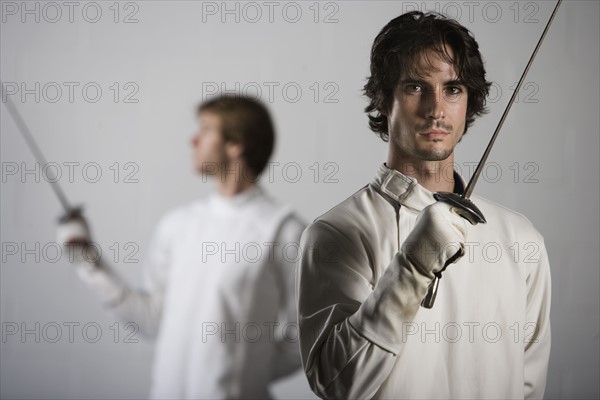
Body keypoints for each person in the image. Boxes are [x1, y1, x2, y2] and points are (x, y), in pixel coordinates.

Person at [296, 11, 551, 399]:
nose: (436, 108)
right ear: (384, 100)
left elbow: (529, 386)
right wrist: (415, 264)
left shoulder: (521, 238)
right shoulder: (337, 233)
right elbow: (339, 385)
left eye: (453, 89)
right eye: (416, 87)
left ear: (470, 101)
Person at [57, 95, 305, 399]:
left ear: (235, 144)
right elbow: (152, 320)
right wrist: (88, 261)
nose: (193, 139)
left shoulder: (285, 230)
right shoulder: (177, 225)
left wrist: (245, 375)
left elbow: (303, 336)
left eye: (205, 129)